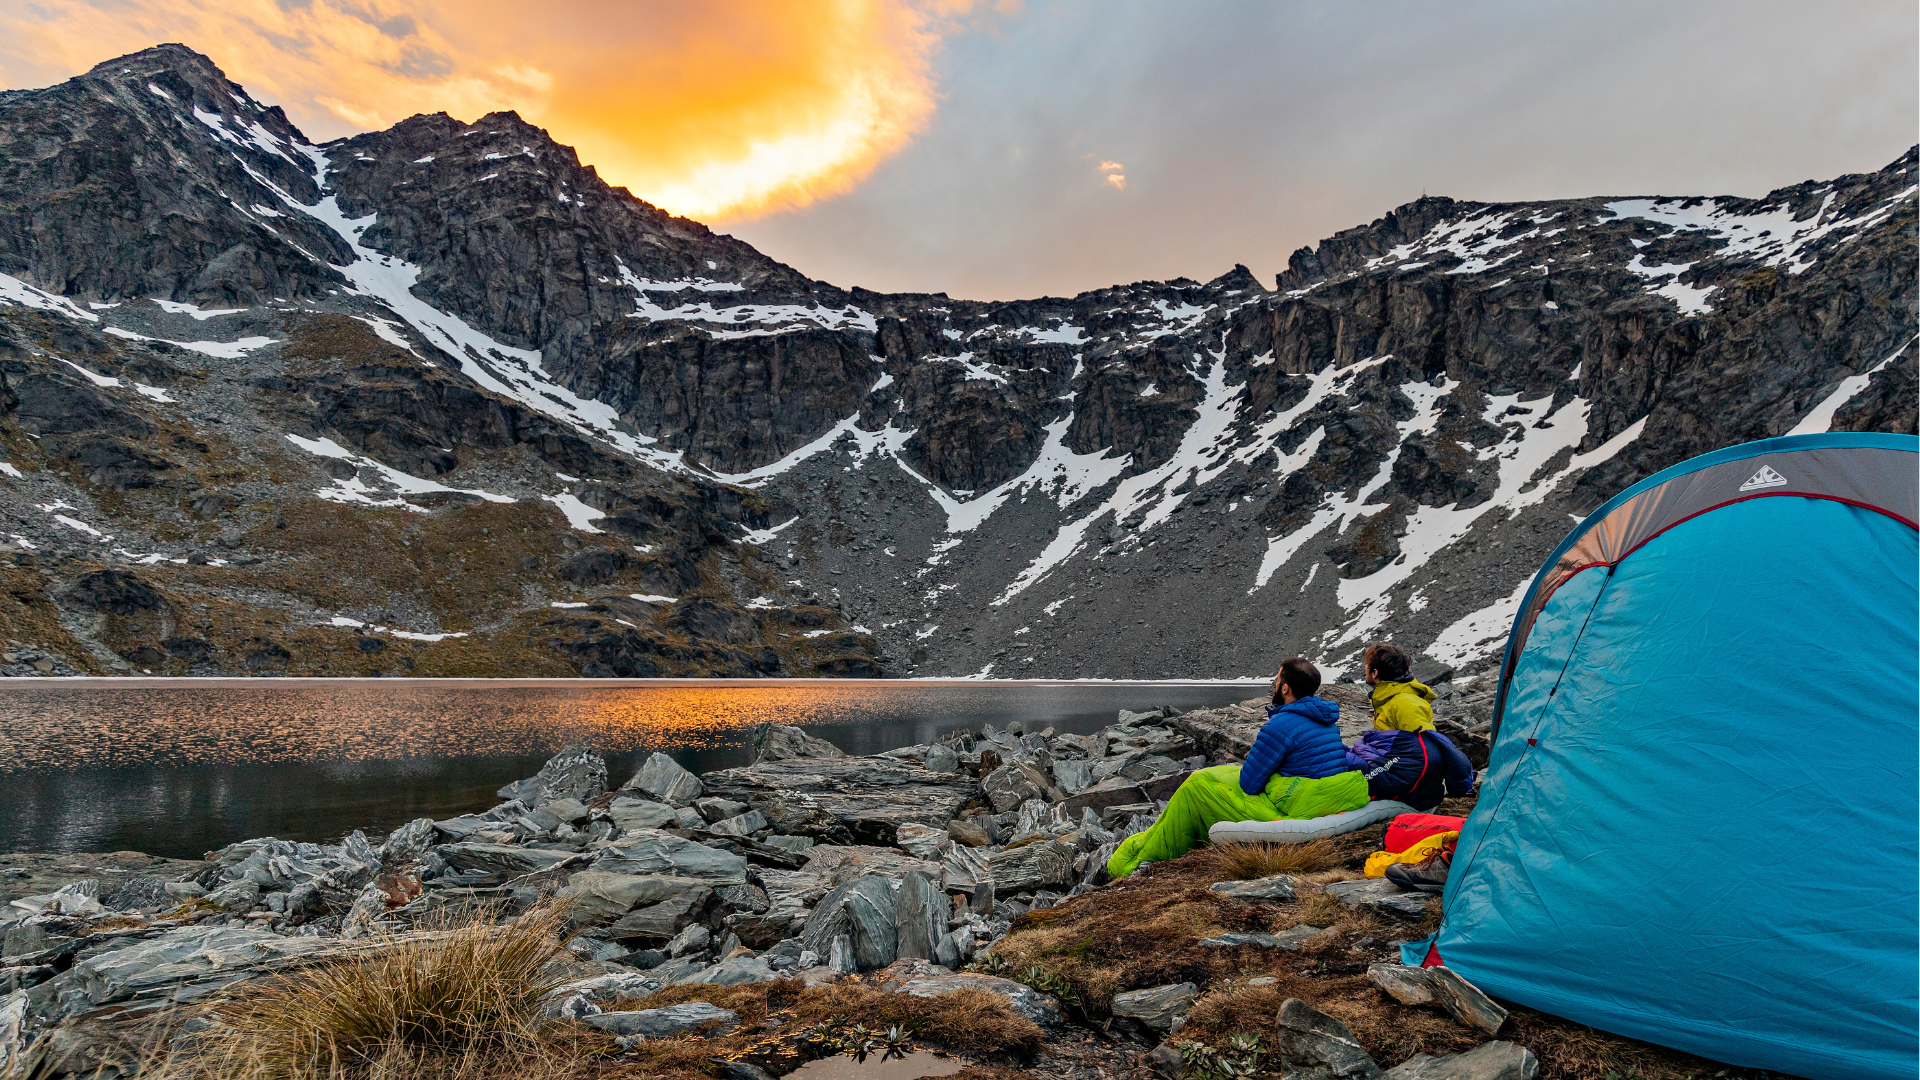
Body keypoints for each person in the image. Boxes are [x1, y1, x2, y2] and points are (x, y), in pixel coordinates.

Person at [1105, 657, 1368, 879]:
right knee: (1210, 773)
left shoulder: (1280, 726)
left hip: (1290, 807)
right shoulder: (1325, 719)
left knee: (1196, 788)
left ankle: (1146, 858)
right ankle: (1154, 838)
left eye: (1276, 681)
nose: (1274, 685)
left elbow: (1249, 784)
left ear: (1286, 689)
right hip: (1318, 797)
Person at [1364, 642, 1436, 732]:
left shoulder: (1406, 704)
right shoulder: (1388, 699)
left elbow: (1424, 743)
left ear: (1375, 673)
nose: (1365, 666)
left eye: (1367, 664)